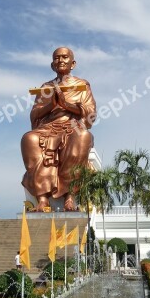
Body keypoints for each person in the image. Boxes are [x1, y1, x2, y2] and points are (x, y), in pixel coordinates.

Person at [21, 47, 96, 212]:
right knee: (29, 139)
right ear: (52, 64)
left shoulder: (82, 85)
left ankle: (70, 196)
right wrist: (52, 103)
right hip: (48, 127)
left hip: (72, 126)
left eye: (64, 57)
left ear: (73, 63)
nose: (60, 60)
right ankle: (42, 198)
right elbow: (34, 115)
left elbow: (91, 113)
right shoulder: (46, 88)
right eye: (56, 58)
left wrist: (65, 104)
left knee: (82, 136)